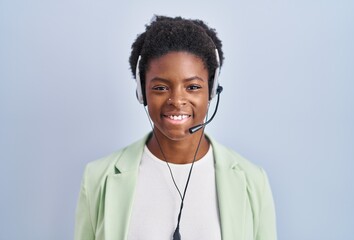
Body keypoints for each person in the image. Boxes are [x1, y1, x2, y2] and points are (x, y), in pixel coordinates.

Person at [74, 15, 277, 240]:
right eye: (161, 88)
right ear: (142, 92)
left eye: (192, 86)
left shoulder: (252, 180)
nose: (177, 100)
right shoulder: (98, 178)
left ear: (211, 91)